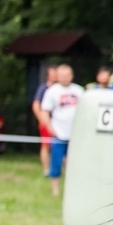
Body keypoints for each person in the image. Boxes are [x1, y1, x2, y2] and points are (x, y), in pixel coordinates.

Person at [37, 63, 83, 197]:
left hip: (76, 135)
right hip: (58, 133)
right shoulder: (52, 91)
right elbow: (44, 111)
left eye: (67, 75)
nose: (65, 78)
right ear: (57, 76)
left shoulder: (79, 91)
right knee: (56, 162)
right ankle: (55, 190)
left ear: (72, 75)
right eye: (62, 75)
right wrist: (50, 128)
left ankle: (73, 190)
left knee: (74, 163)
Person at [31, 72, 53, 175]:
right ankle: (46, 170)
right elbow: (36, 105)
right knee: (46, 145)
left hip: (59, 123)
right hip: (46, 122)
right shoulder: (43, 88)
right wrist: (42, 120)